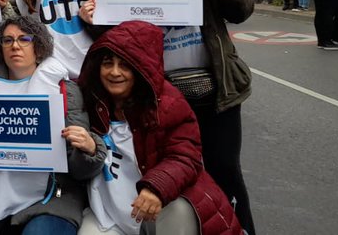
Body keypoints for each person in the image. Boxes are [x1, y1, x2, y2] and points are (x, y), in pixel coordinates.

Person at [91, 0, 256, 234]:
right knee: (173, 173)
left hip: (215, 91)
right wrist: (94, 21)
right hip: (161, 99)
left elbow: (243, 10)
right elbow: (117, 42)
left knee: (224, 169)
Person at [76, 21, 241, 235]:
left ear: (141, 68)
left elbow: (185, 156)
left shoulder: (168, 103)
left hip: (160, 207)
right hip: (108, 216)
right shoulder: (88, 101)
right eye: (107, 63)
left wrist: (156, 188)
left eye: (125, 65)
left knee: (178, 211)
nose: (115, 72)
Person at [0, 16, 105, 234]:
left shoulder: (64, 91)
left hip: (52, 198)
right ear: (0, 48)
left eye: (24, 39)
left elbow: (79, 172)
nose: (15, 46)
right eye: (7, 40)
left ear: (39, 49)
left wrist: (88, 149)